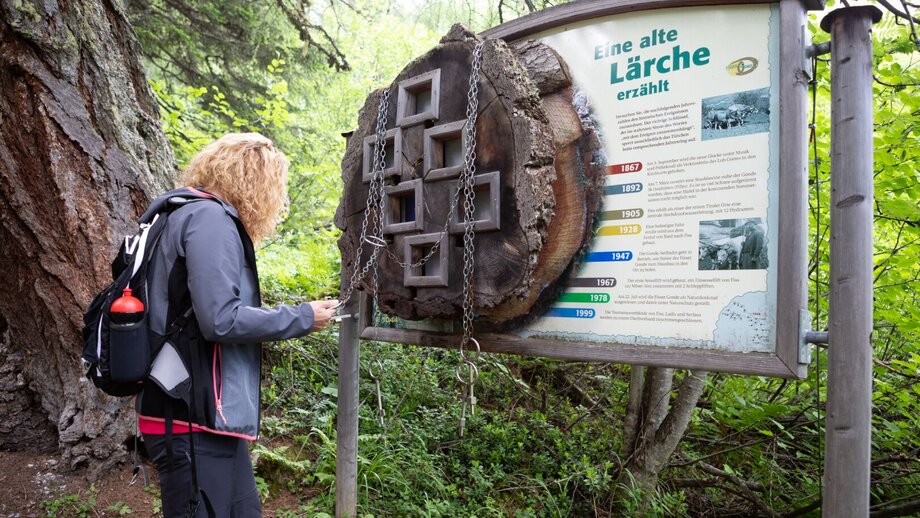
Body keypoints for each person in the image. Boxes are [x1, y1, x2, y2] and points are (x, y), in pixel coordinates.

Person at [135, 133, 338, 517]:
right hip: (189, 418)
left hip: (198, 417)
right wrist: (303, 317)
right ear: (256, 181)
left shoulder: (182, 213)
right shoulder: (209, 219)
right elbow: (220, 321)